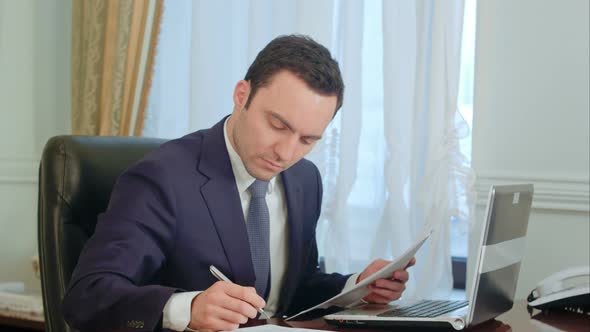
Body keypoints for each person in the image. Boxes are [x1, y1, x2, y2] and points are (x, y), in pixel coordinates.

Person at [62, 35, 415, 332]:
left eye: (307, 139)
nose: (286, 153)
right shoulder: (162, 178)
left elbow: (295, 287)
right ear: (242, 95)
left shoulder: (305, 179)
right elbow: (87, 296)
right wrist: (187, 308)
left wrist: (357, 288)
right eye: (278, 125)